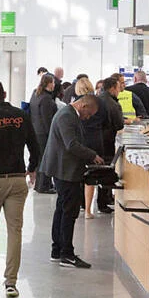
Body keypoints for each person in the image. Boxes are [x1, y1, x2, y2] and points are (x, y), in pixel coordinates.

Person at [0, 81, 40, 298]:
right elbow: (35, 145)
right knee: (15, 231)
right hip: (18, 179)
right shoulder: (22, 115)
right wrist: (31, 169)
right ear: (4, 93)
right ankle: (11, 281)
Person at [40, 95, 103, 269]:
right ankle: (66, 253)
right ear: (83, 105)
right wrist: (92, 155)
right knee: (68, 211)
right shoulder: (67, 116)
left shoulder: (68, 114)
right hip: (65, 171)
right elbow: (71, 144)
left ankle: (58, 250)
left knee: (62, 209)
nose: (87, 117)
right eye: (88, 113)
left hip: (65, 169)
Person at [79, 77, 111, 220]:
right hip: (96, 140)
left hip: (80, 140)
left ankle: (80, 204)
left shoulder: (77, 105)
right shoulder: (100, 103)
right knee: (91, 175)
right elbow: (107, 122)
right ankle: (88, 209)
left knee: (79, 173)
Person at [92, 76, 125, 216]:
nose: (119, 91)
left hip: (95, 140)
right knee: (106, 170)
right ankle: (103, 201)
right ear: (112, 88)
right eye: (118, 88)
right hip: (107, 141)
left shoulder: (97, 99)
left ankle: (99, 201)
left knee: (97, 170)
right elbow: (119, 124)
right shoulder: (112, 104)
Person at [29, 73, 59, 194]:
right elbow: (47, 118)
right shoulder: (46, 98)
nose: (54, 85)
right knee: (45, 158)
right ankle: (43, 185)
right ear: (48, 83)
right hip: (44, 133)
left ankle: (40, 185)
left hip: (36, 130)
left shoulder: (35, 94)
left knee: (40, 157)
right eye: (53, 82)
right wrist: (52, 134)